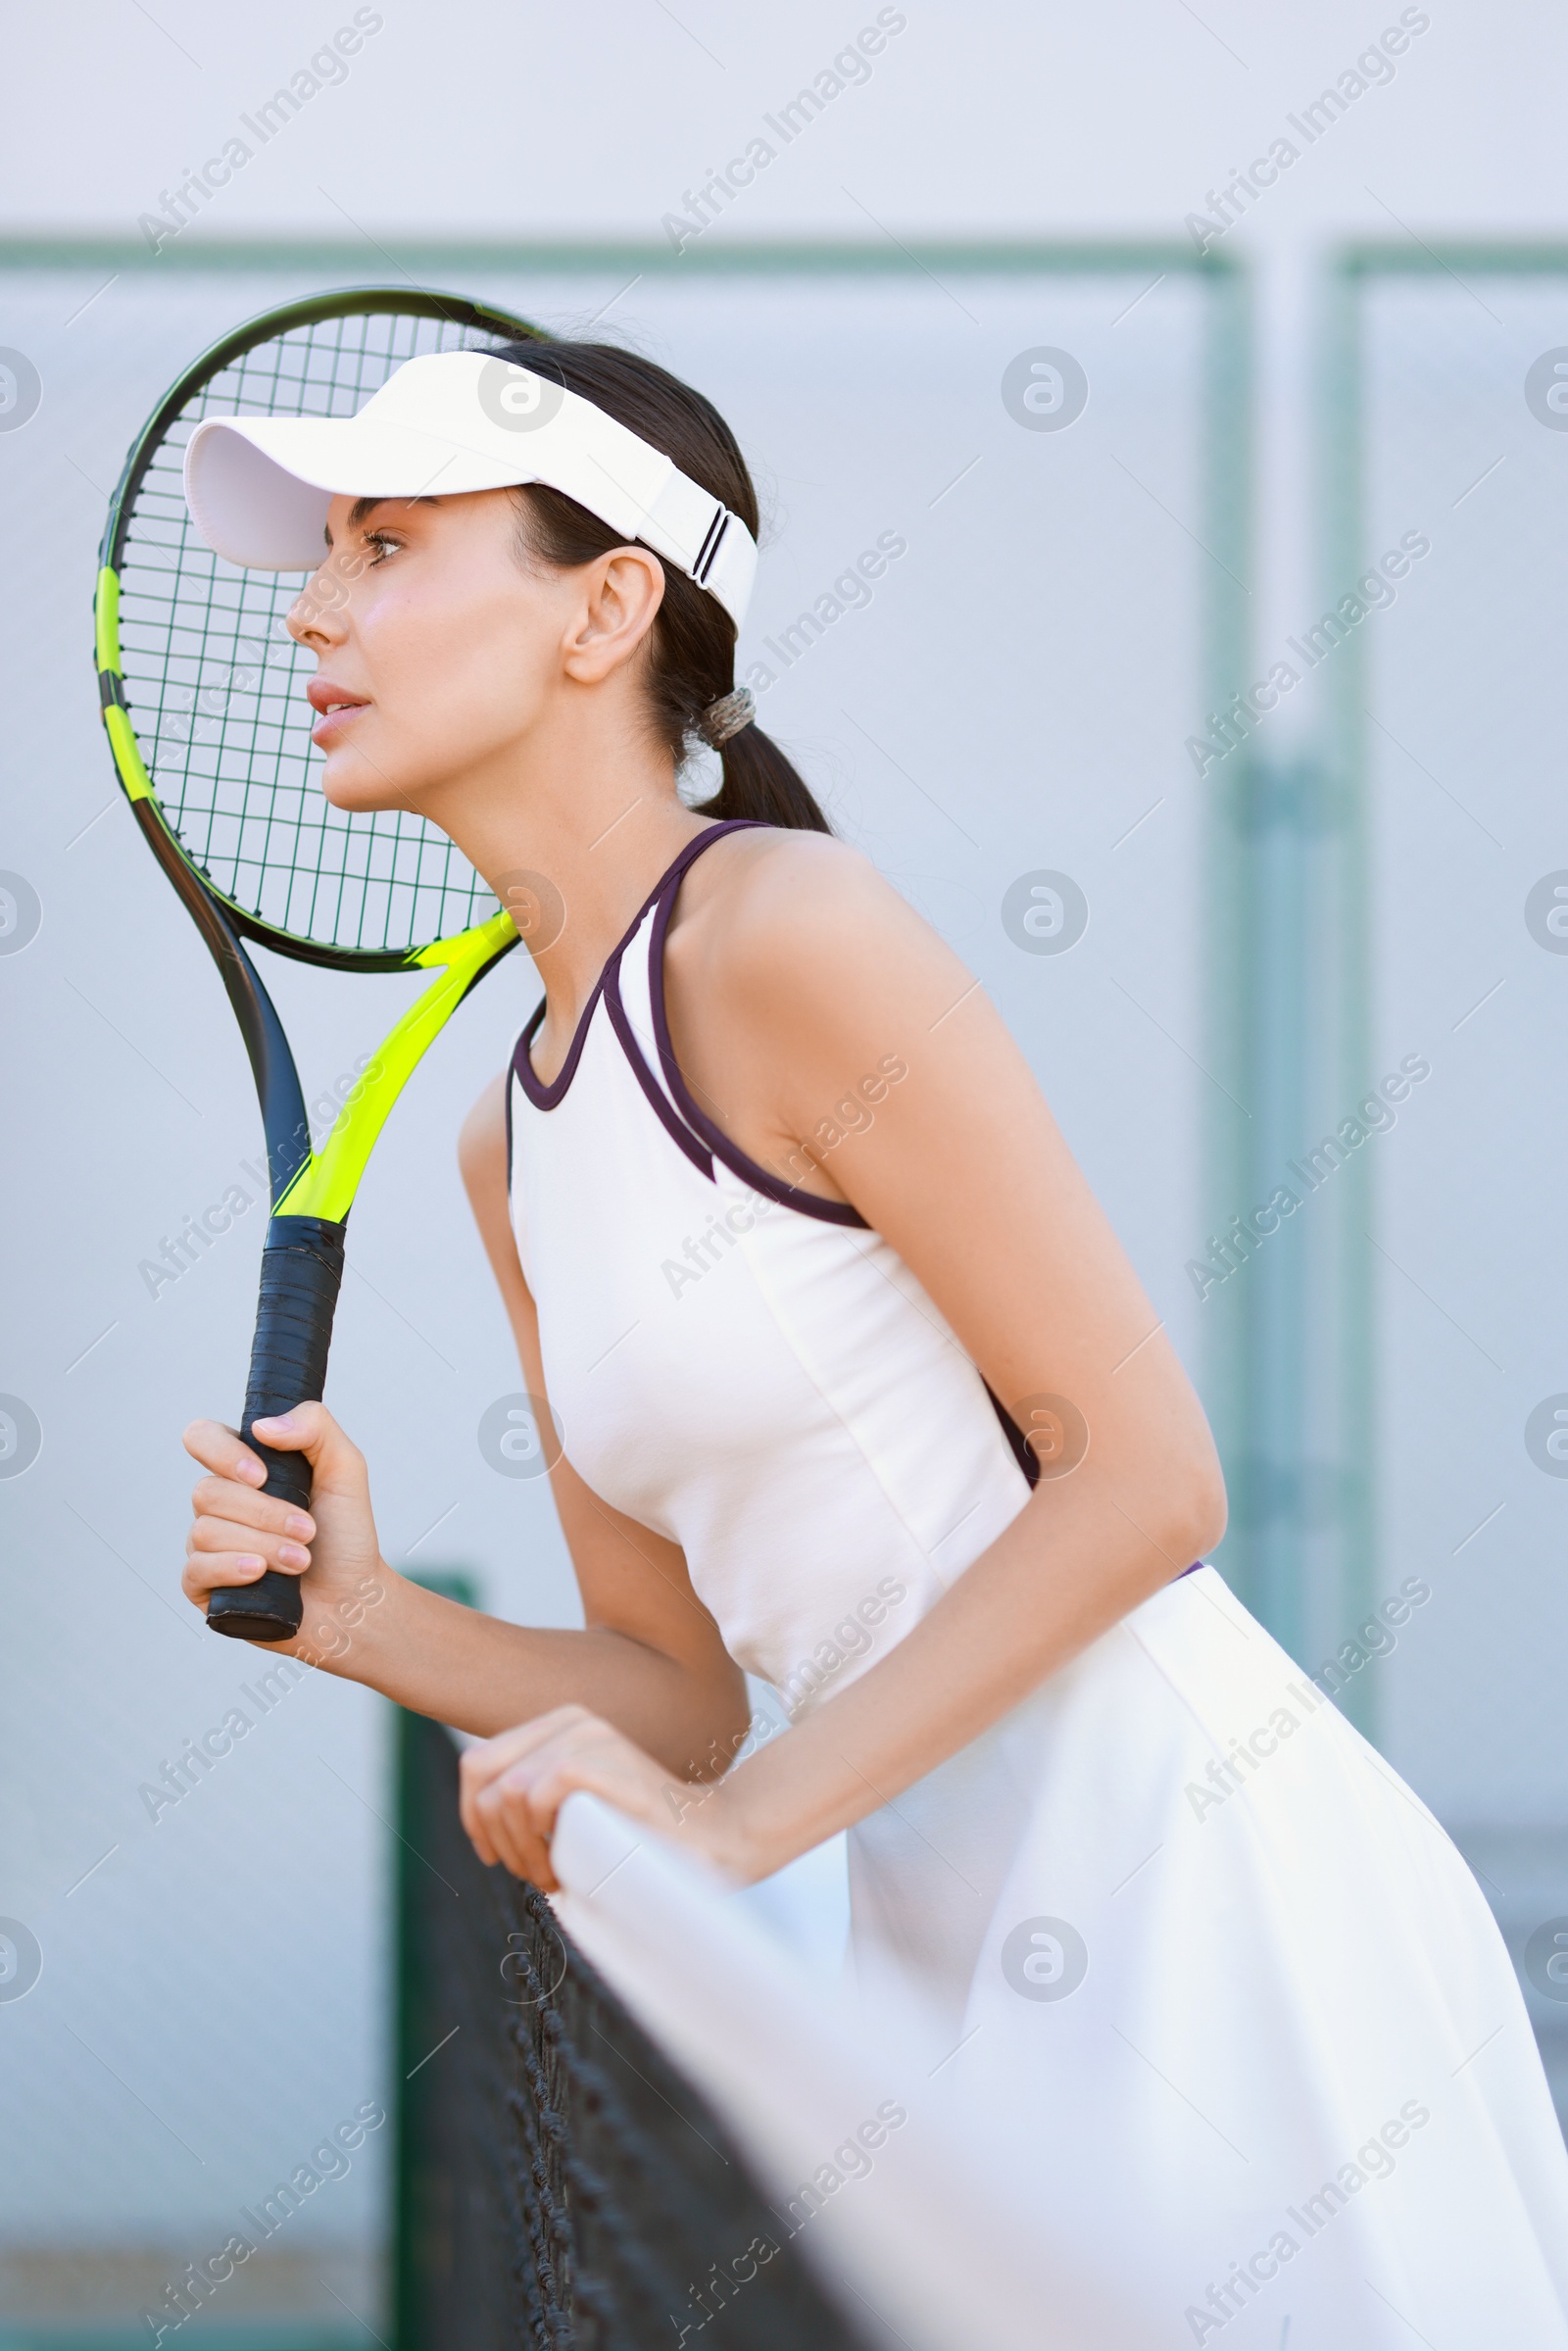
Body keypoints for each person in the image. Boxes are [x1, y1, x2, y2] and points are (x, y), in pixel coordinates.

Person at [178, 338, 1568, 2342]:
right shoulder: (518, 1129)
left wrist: (740, 1833)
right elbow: (681, 1696)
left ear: (605, 603)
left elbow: (1145, 1478)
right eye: (322, 555)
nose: (313, 607)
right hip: (940, 1957)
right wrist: (363, 1615)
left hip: (1204, 1904)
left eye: (385, 544)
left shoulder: (783, 935)